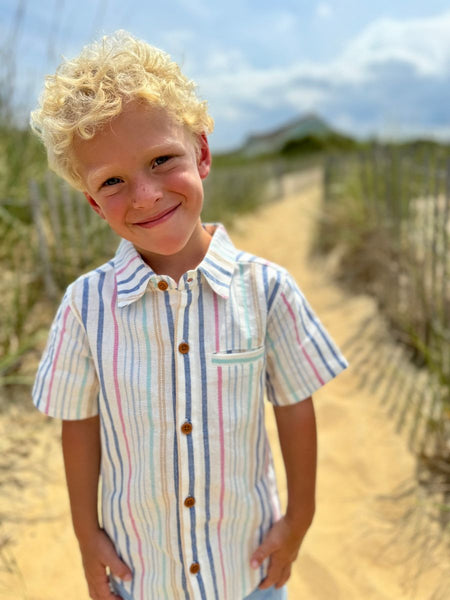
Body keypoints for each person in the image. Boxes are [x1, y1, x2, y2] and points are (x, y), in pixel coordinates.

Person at [31, 31, 348, 600]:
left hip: (245, 572)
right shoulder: (84, 309)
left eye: (161, 160)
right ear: (92, 201)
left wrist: (299, 520)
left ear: (201, 153)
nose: (146, 195)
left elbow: (295, 409)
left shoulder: (267, 290)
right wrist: (86, 535)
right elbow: (78, 427)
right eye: (113, 182)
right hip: (141, 576)